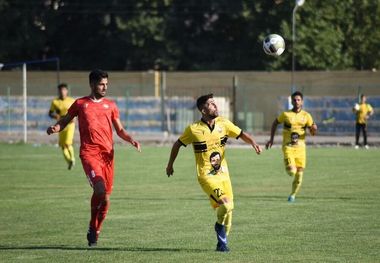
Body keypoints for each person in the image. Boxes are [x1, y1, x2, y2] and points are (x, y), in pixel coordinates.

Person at [47, 69, 141, 247]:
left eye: (106, 84)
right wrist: (55, 128)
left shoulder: (111, 105)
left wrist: (131, 139)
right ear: (92, 84)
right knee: (99, 189)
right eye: (101, 84)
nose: (105, 87)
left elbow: (119, 130)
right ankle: (92, 224)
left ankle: (95, 229)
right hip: (89, 154)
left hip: (108, 156)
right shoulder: (81, 104)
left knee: (105, 198)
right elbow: (65, 120)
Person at [166, 94, 262, 252]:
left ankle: (222, 244)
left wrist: (253, 143)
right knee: (225, 204)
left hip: (224, 174)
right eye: (211, 104)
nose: (215, 106)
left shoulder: (223, 123)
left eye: (214, 103)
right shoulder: (193, 129)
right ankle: (219, 227)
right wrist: (170, 165)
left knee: (229, 210)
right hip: (206, 176)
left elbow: (240, 133)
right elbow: (177, 145)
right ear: (203, 109)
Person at [266, 91, 317, 203]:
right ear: (292, 101)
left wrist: (314, 129)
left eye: (298, 100)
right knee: (292, 172)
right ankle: (288, 165)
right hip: (288, 147)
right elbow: (275, 123)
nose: (296, 102)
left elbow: (313, 132)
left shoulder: (306, 116)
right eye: (294, 100)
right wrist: (271, 139)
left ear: (302, 102)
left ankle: (293, 195)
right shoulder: (286, 115)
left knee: (299, 176)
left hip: (301, 149)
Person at [48, 83, 76, 169]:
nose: (62, 92)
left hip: (70, 124)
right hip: (60, 125)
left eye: (64, 90)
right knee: (63, 146)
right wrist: (55, 116)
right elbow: (50, 113)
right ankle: (69, 161)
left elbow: (76, 112)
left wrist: (74, 117)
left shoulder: (72, 100)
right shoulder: (55, 102)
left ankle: (72, 159)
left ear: (67, 91)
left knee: (68, 143)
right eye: (60, 90)